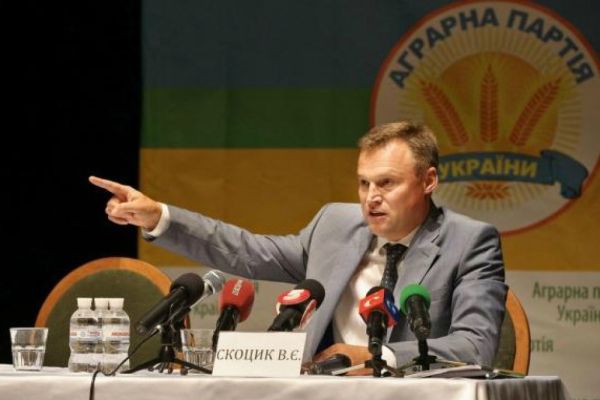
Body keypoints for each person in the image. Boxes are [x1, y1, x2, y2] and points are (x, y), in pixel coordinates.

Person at [89, 120, 507, 374]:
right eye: (364, 183)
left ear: (428, 181)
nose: (371, 198)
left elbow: (475, 347)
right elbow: (247, 251)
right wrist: (159, 217)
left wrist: (376, 356)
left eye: (387, 183)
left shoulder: (470, 242)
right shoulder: (335, 225)